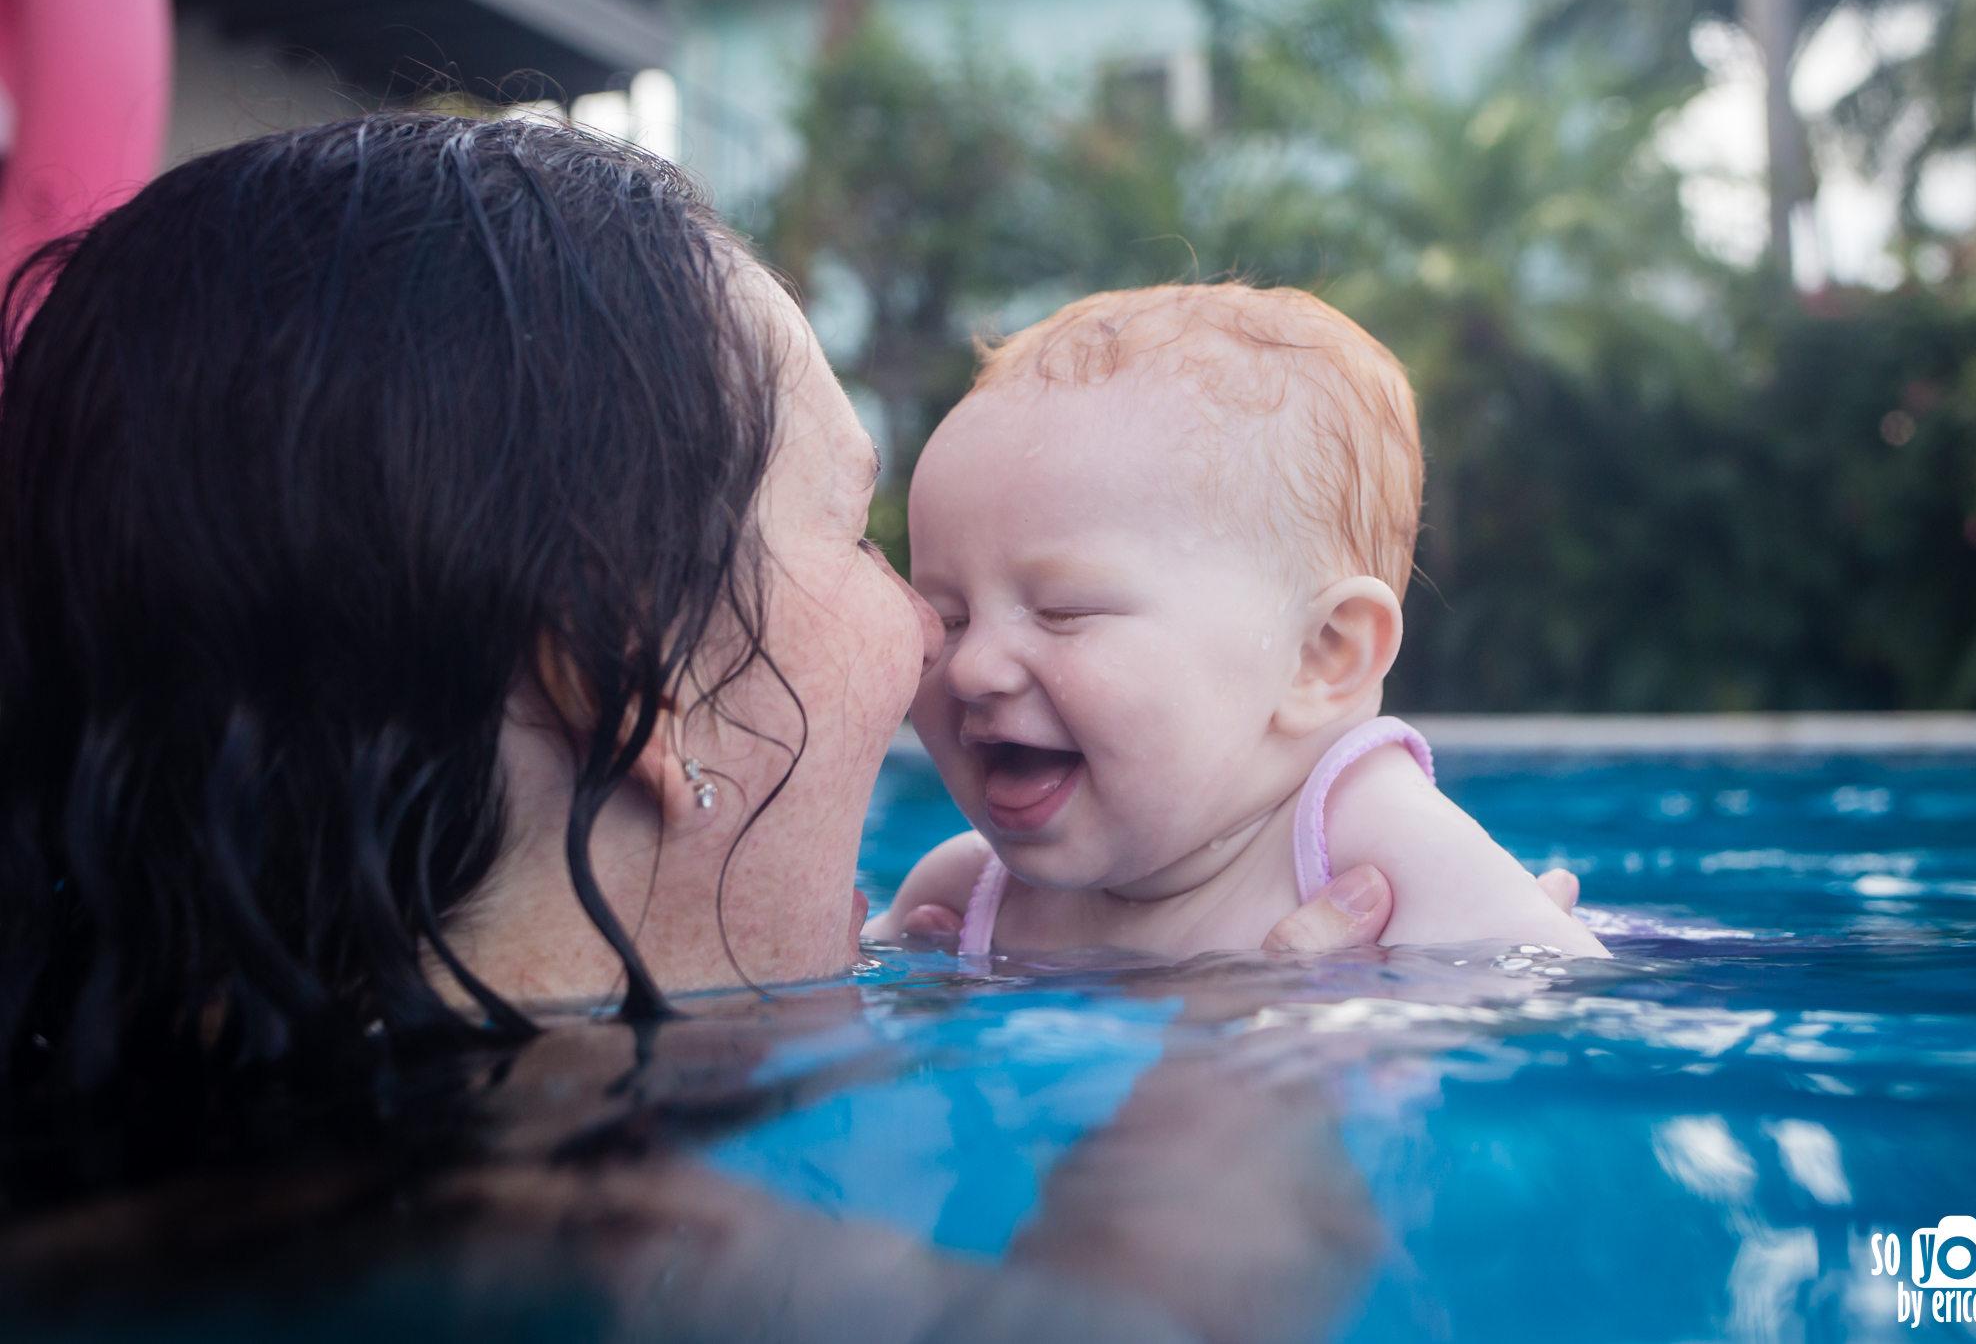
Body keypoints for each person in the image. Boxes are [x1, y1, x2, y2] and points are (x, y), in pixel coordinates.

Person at [0, 115, 1389, 1341]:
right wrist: (1250, 1068)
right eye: (855, 535)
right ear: (633, 678)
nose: (925, 638)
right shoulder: (600, 1260)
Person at [868, 284, 1606, 960]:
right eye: (949, 618)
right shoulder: (960, 896)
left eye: (1066, 611)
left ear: (1321, 654)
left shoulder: (1363, 845)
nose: (970, 667)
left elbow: (1560, 1017)